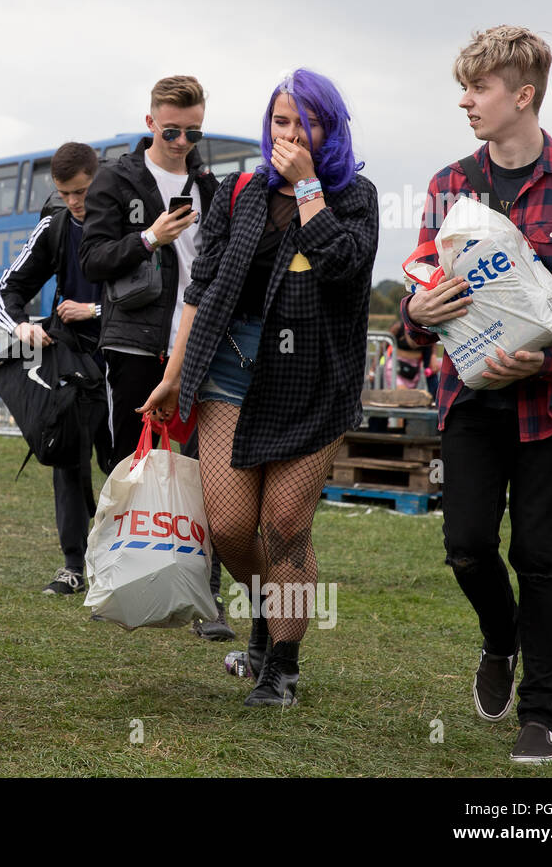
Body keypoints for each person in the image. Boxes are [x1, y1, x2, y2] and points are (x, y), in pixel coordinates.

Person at [402, 26, 552, 763]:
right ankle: (500, 641)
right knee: (467, 548)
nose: (465, 101)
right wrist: (416, 315)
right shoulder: (445, 187)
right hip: (468, 401)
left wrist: (546, 363)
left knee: (537, 554)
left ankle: (541, 713)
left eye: (480, 88)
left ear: (522, 96)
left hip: (549, 403)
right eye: (463, 87)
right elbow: (421, 297)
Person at [141, 68, 378, 706]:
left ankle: (283, 664)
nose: (291, 134)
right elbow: (203, 288)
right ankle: (269, 616)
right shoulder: (242, 190)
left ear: (330, 128)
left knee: (285, 526)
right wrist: (172, 375)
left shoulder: (355, 196)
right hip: (229, 374)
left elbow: (343, 267)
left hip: (311, 385)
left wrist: (307, 189)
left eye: (306, 122)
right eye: (280, 121)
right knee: (230, 527)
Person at [78, 75, 233, 640]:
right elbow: (93, 258)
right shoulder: (117, 180)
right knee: (129, 461)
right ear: (150, 123)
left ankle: (204, 595)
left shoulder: (211, 186)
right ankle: (118, 577)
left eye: (193, 132)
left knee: (204, 469)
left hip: (198, 346)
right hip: (135, 340)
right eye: (172, 130)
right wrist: (149, 238)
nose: (183, 141)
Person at [0, 142, 113, 594]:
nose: (76, 203)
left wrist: (94, 310)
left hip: (125, 362)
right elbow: (7, 289)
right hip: (73, 367)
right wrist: (21, 327)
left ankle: (124, 558)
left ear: (98, 178)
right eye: (65, 194)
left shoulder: (128, 222)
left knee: (124, 464)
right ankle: (73, 564)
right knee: (67, 459)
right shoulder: (56, 227)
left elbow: (156, 293)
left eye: (82, 191)